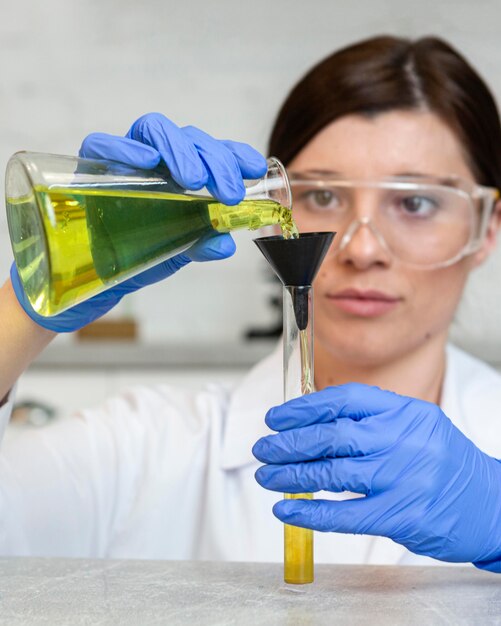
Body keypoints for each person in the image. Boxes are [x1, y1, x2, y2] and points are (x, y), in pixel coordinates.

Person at [1, 35, 501, 571]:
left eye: (416, 202)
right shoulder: (149, 445)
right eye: (323, 196)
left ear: (486, 229)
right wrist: (22, 306)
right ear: (274, 208)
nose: (360, 249)